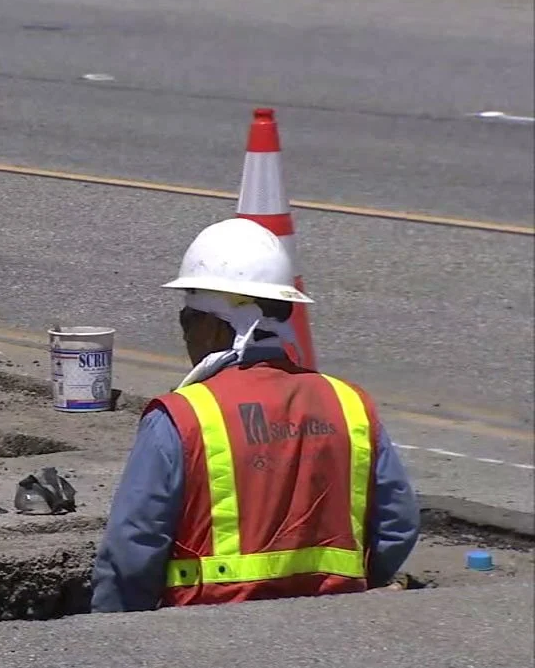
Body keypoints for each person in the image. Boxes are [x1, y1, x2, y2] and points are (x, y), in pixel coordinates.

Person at [91, 218, 420, 612]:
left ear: (212, 326)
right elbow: (397, 527)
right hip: (334, 631)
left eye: (187, 321)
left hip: (207, 634)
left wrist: (111, 632)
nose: (186, 337)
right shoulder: (350, 405)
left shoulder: (183, 417)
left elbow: (134, 547)